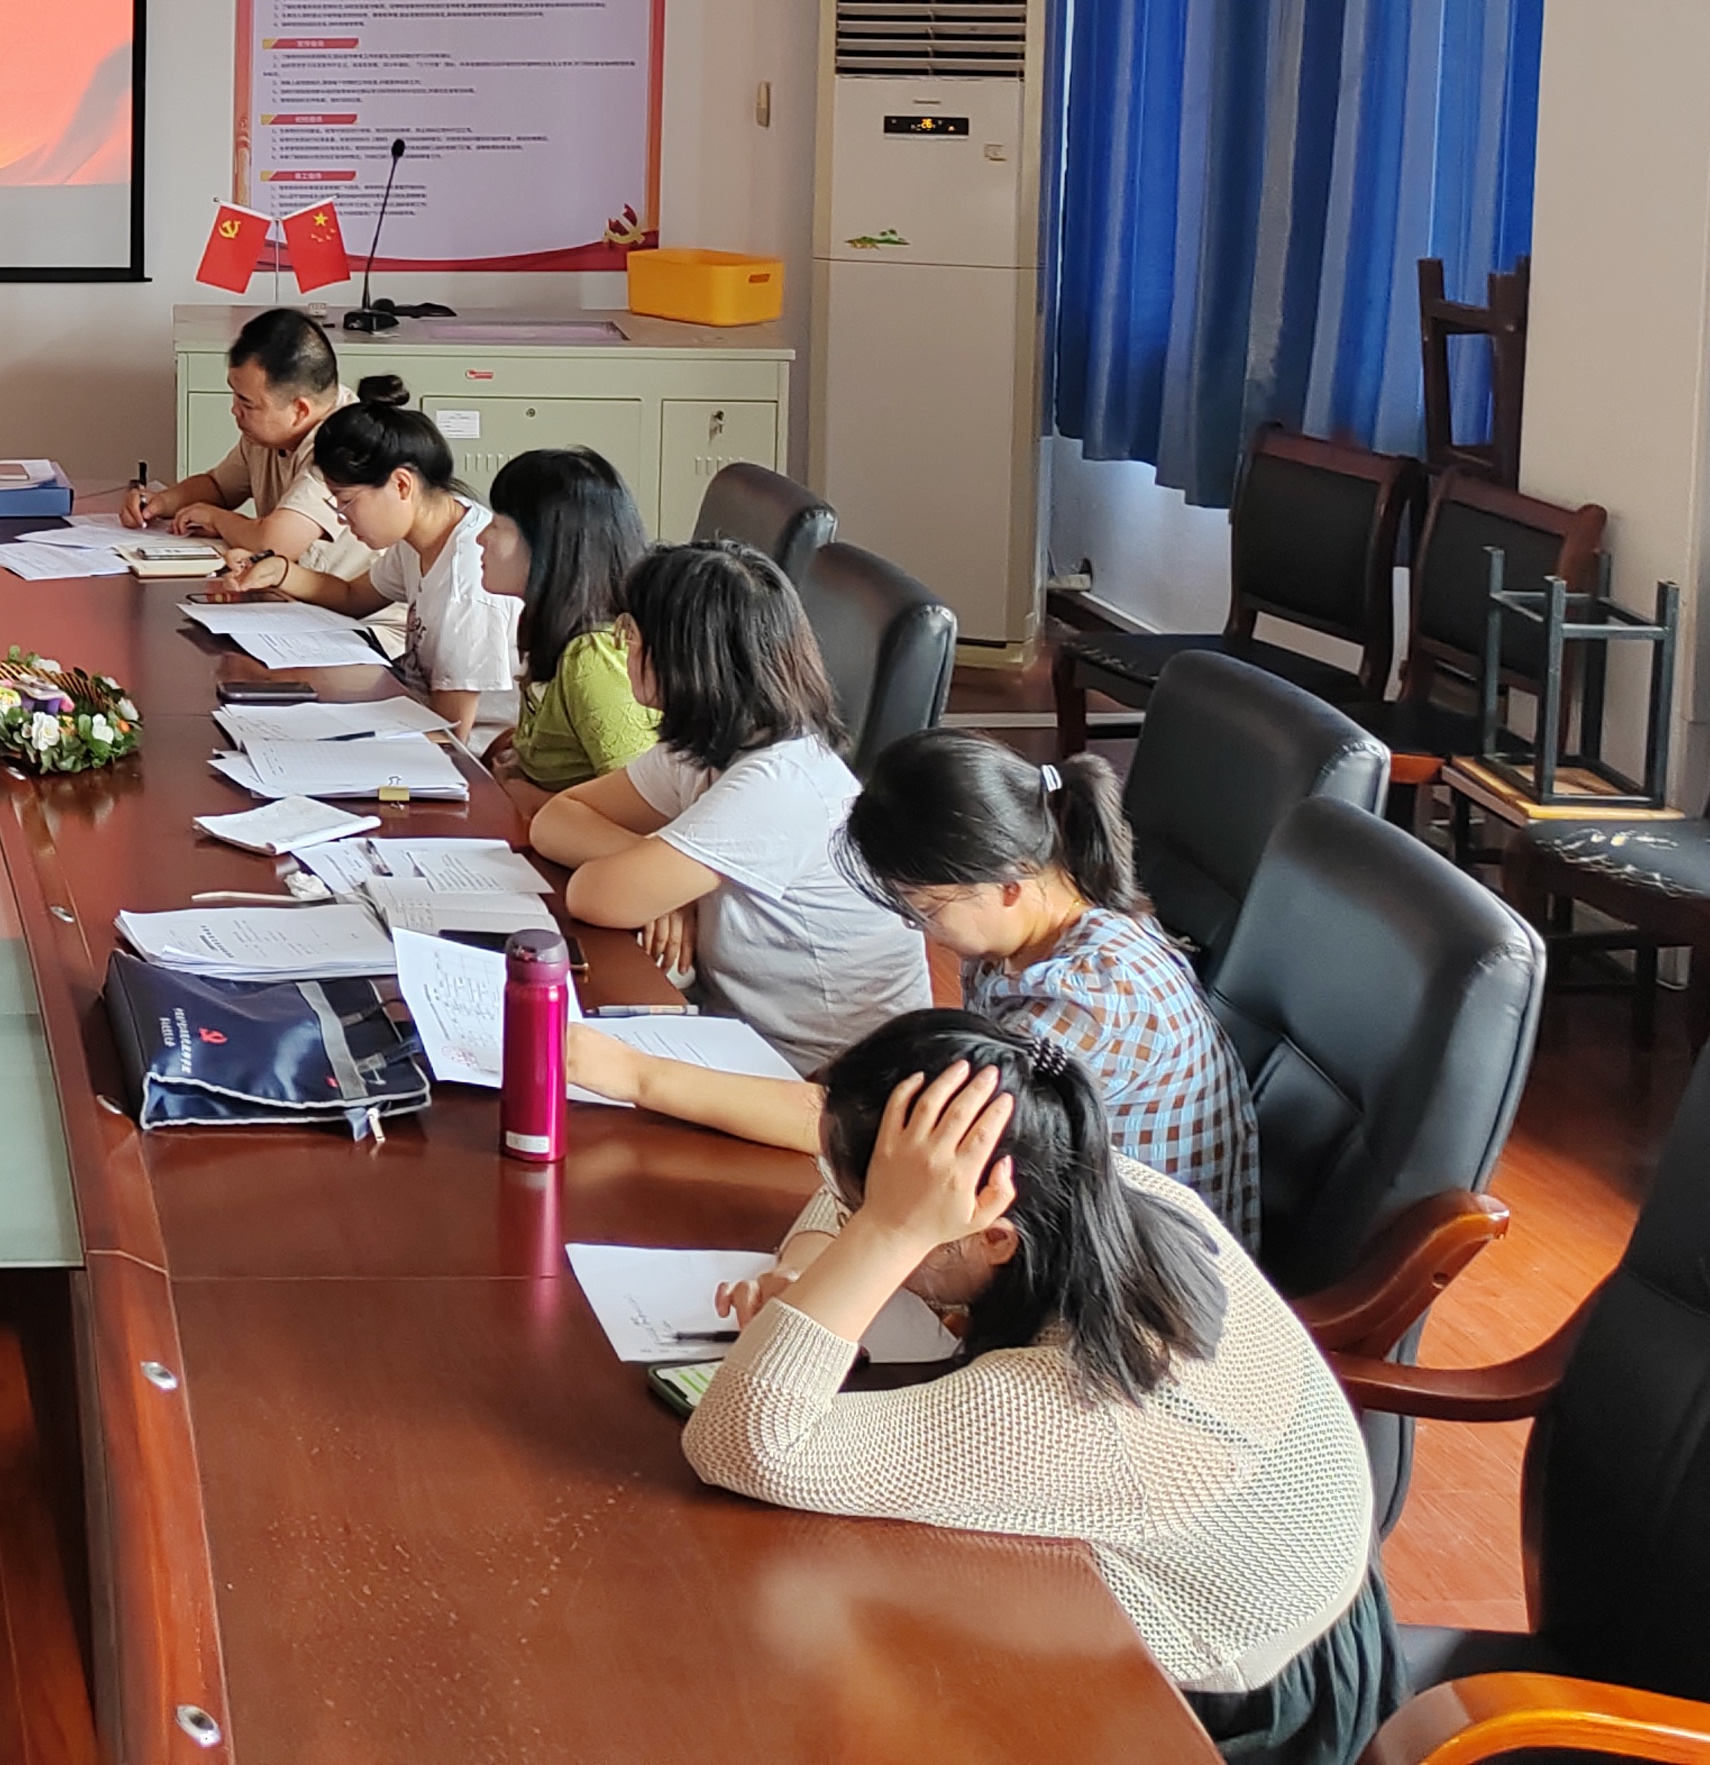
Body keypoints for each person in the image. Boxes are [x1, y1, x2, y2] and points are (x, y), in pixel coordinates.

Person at [683, 1018, 1391, 1765]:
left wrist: (876, 1238)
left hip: (1231, 1693)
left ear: (992, 1234)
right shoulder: (1067, 1176)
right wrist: (816, 1271)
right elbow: (854, 1186)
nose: (857, 1218)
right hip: (1175, 1574)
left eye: (877, 1214)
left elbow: (744, 1441)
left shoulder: (1076, 1404)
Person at [567, 726, 1260, 1236]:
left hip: (1133, 1280)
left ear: (1007, 884)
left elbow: (886, 1131)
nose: (923, 934)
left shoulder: (1092, 995)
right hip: (1036, 1210)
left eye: (926, 910)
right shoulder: (1020, 935)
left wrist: (637, 1075)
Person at [523, 539, 929, 1072]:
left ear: (681, 656)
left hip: (829, 1082)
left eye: (630, 632)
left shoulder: (780, 784)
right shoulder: (710, 744)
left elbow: (593, 893)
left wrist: (654, 876)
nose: (623, 646)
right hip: (746, 1040)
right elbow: (555, 820)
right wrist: (667, 885)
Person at [196, 375, 517, 719]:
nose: (342, 518)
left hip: (476, 754)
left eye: (346, 502)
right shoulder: (427, 531)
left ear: (401, 484)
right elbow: (353, 597)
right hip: (412, 712)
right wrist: (281, 572)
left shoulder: (465, 579)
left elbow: (454, 739)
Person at [122, 306, 371, 570]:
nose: (234, 409)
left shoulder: (343, 443)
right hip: (290, 599)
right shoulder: (267, 436)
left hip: (350, 611)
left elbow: (275, 543)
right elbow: (218, 487)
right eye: (235, 394)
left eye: (247, 403)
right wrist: (160, 502)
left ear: (300, 410)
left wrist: (218, 520)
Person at [475, 445, 658, 787]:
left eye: (498, 526)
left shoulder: (594, 658)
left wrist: (530, 799)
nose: (480, 538)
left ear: (548, 546)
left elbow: (644, 804)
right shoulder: (548, 625)